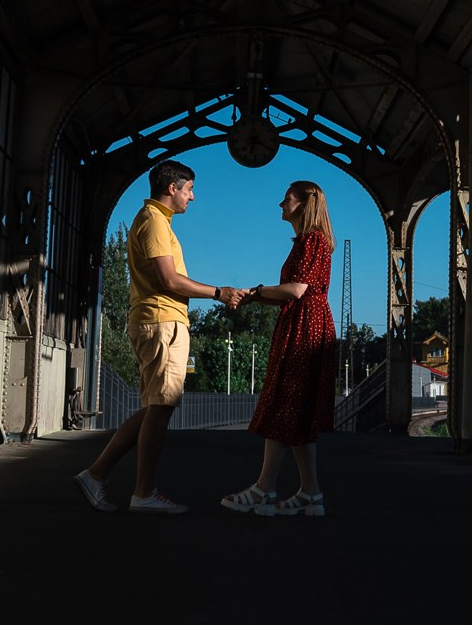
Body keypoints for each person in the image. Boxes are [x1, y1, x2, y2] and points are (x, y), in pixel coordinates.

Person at [73, 160, 244, 515]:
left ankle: (97, 475)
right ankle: (143, 492)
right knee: (160, 409)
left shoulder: (156, 222)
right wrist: (219, 292)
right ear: (172, 188)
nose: (192, 198)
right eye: (189, 189)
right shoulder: (153, 223)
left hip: (159, 321)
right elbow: (169, 280)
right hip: (162, 321)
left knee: (154, 408)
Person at [221, 181, 337, 517]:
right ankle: (310, 494)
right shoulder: (309, 241)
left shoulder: (313, 240)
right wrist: (257, 296)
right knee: (297, 412)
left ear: (303, 204)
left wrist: (254, 292)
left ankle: (263, 488)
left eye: (286, 199)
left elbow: (297, 289)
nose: (280, 204)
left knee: (284, 404)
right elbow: (294, 291)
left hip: (304, 329)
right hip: (304, 324)